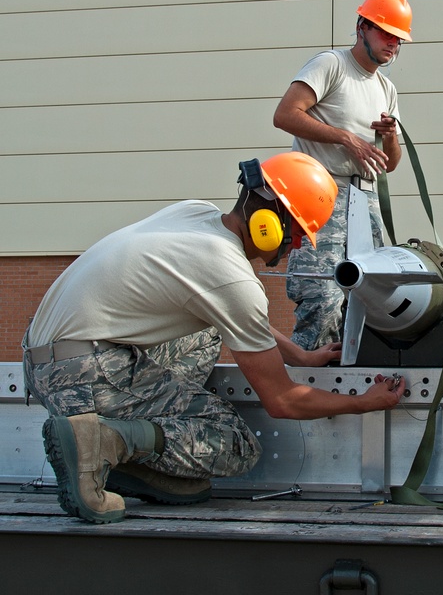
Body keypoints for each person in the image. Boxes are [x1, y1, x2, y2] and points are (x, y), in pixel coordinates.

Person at [22, 151, 405, 524]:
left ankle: (137, 451)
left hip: (49, 361)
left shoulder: (195, 213)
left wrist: (299, 357)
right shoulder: (231, 275)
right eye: (298, 233)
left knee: (207, 332)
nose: (298, 247)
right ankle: (105, 440)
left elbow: (231, 315)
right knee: (235, 444)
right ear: (268, 223)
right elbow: (283, 401)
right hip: (87, 375)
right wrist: (364, 403)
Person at [273, 0, 411, 350]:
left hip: (365, 200)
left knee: (374, 295)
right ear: (361, 27)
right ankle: (304, 387)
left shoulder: (386, 89)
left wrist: (390, 138)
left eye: (398, 40)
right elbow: (285, 115)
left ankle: (350, 387)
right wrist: (345, 138)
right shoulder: (331, 65)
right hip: (321, 192)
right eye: (385, 33)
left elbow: (389, 165)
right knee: (324, 298)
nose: (392, 45)